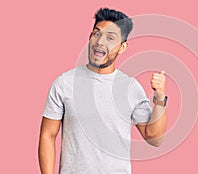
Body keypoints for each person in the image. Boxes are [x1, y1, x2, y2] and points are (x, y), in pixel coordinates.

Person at [38, 7, 168, 174]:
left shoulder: (130, 87)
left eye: (110, 38)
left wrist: (159, 98)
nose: (100, 42)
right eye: (96, 34)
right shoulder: (64, 83)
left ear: (122, 47)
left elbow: (154, 139)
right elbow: (47, 135)